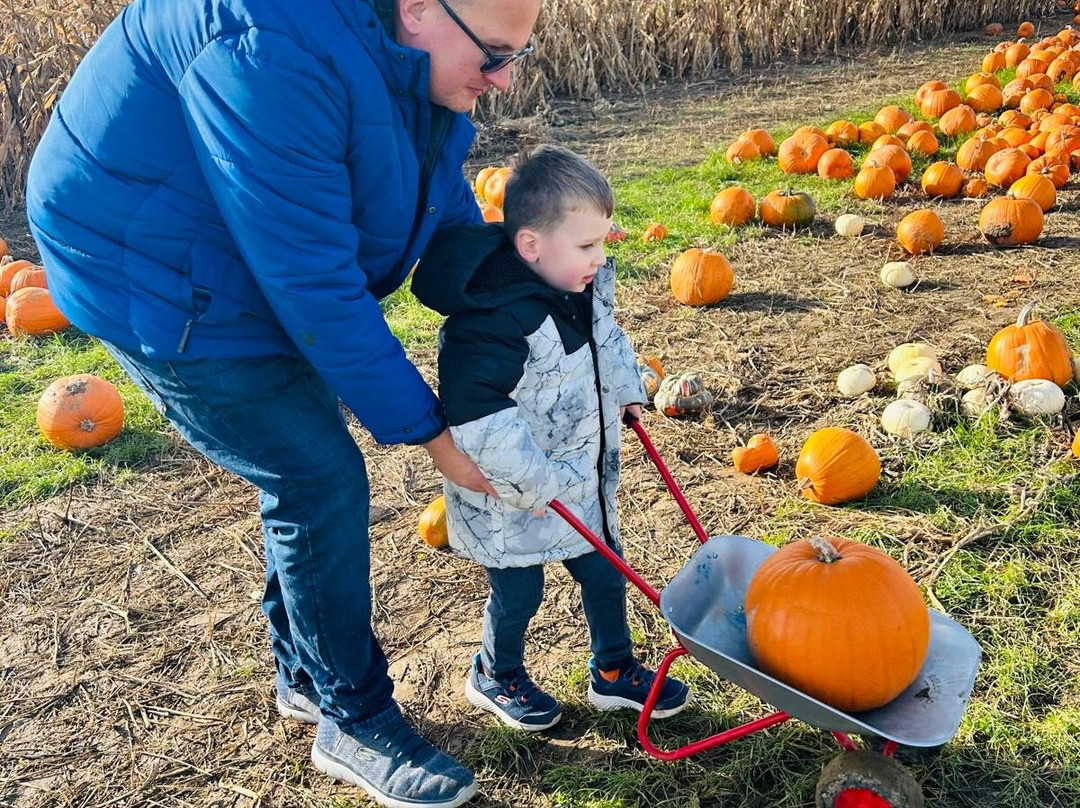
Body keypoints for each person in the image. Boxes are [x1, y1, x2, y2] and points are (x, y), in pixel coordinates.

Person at [25, 0, 542, 805]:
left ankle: (305, 674)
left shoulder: (411, 55)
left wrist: (528, 283)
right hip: (150, 265)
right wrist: (434, 433)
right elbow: (315, 286)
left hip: (236, 241)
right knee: (317, 477)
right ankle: (354, 717)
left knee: (309, 470)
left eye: (521, 54)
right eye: (496, 55)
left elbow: (432, 200)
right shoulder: (268, 46)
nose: (504, 80)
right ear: (417, 9)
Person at [411, 145, 690, 732]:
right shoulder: (492, 322)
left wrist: (624, 389)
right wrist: (535, 482)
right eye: (587, 245)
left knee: (603, 570)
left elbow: (605, 339)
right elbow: (479, 416)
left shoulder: (577, 285)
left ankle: (613, 670)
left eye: (602, 242)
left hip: (578, 472)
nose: (599, 256)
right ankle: (496, 672)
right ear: (532, 246)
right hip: (511, 492)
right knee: (520, 591)